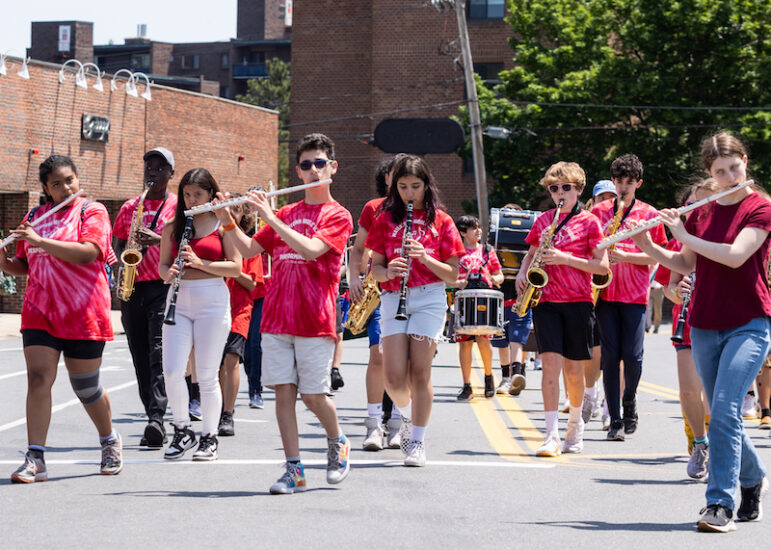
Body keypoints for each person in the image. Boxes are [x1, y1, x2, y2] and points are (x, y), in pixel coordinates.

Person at [629, 131, 770, 532]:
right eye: (720, 171)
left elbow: (736, 255)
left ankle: (719, 504)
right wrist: (647, 244)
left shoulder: (760, 206)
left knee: (724, 411)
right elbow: (687, 261)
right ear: (710, 172)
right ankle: (754, 474)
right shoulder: (702, 210)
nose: (729, 176)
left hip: (749, 322)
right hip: (704, 323)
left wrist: (685, 234)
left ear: (745, 161)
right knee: (724, 417)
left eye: (735, 167)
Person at [214, 133, 353, 494]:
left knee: (313, 396)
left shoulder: (338, 215)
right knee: (284, 395)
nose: (312, 171)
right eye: (305, 165)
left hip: (315, 319)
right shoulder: (287, 212)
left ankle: (337, 442)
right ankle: (294, 469)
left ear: (332, 168)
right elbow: (247, 249)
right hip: (277, 316)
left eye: (319, 163)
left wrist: (269, 217)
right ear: (298, 171)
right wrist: (226, 220)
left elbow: (310, 250)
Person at [2, 155, 123, 482]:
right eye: (57, 183)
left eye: (69, 179)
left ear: (77, 178)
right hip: (40, 312)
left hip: (83, 312)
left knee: (86, 387)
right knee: (39, 379)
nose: (65, 187)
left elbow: (88, 253)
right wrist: (3, 258)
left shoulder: (92, 211)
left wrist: (40, 240)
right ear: (46, 188)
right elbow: (23, 265)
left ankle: (109, 439)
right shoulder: (34, 216)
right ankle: (36, 458)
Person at [367, 154, 465, 467]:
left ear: (426, 186)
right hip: (394, 296)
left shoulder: (442, 221)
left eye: (416, 186)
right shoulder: (385, 218)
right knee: (394, 377)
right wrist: (388, 271)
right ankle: (407, 416)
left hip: (430, 297)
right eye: (404, 186)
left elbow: (453, 275)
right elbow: (375, 270)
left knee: (420, 372)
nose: (410, 193)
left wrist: (423, 257)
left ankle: (418, 441)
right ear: (395, 187)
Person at [516, 161, 608, 457]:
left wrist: (565, 259)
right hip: (547, 302)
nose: (560, 193)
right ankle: (551, 434)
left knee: (573, 370)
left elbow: (601, 267)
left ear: (579, 190)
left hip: (579, 301)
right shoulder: (543, 220)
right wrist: (522, 273)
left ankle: (575, 426)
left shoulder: (591, 222)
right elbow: (530, 254)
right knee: (550, 369)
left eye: (566, 188)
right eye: (554, 189)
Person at [158, 168, 241, 461]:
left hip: (212, 300)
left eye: (198, 194)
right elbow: (161, 267)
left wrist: (201, 262)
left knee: (206, 375)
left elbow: (236, 267)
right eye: (187, 194)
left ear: (210, 194)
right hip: (178, 301)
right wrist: (168, 273)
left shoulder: (222, 224)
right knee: (171, 371)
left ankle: (209, 436)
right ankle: (182, 429)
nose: (191, 200)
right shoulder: (173, 226)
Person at [591, 154, 667, 441]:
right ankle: (615, 420)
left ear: (639, 183)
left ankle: (630, 401)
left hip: (635, 295)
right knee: (610, 357)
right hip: (605, 294)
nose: (623, 187)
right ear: (613, 182)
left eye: (629, 182)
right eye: (619, 182)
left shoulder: (649, 215)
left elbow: (660, 255)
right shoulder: (598, 214)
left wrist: (626, 255)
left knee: (632, 357)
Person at [112, 147, 177, 448]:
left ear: (171, 174)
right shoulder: (130, 207)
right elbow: (116, 243)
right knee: (139, 355)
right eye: (149, 167)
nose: (152, 172)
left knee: (157, 353)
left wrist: (159, 240)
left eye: (159, 168)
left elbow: (186, 243)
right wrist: (121, 265)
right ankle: (152, 415)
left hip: (162, 287)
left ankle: (157, 418)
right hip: (133, 286)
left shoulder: (178, 207)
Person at [656, 179, 718, 481]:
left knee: (715, 394)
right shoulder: (681, 240)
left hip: (720, 320)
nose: (699, 209)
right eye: (694, 204)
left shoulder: (728, 236)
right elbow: (669, 288)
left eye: (705, 203)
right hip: (689, 321)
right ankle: (699, 442)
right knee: (688, 390)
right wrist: (678, 291)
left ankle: (715, 444)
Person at [348, 156, 402, 450]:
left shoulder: (422, 208)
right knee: (378, 355)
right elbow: (358, 249)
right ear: (386, 178)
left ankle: (395, 422)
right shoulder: (373, 207)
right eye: (396, 175)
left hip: (410, 291)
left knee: (401, 361)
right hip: (379, 289)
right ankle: (373, 426)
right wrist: (355, 278)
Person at [218, 196, 263, 436]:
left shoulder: (248, 245)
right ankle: (216, 407)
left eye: (235, 211)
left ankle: (228, 413)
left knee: (231, 359)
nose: (231, 214)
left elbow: (253, 284)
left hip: (239, 309)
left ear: (242, 216)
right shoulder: (215, 240)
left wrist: (232, 270)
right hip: (214, 307)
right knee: (215, 365)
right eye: (227, 210)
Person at [451, 215, 504, 401]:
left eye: (479, 227)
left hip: (484, 298)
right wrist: (460, 282)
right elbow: (450, 279)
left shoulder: (487, 250)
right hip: (465, 299)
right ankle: (467, 385)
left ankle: (489, 378)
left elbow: (500, 275)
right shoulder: (456, 253)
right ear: (463, 232)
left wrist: (495, 278)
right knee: (464, 343)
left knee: (483, 340)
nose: (478, 231)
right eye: (474, 228)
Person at [491, 204, 534, 397]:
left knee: (518, 334)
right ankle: (507, 376)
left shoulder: (529, 235)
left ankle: (517, 372)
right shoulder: (495, 237)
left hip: (522, 289)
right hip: (501, 291)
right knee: (501, 339)